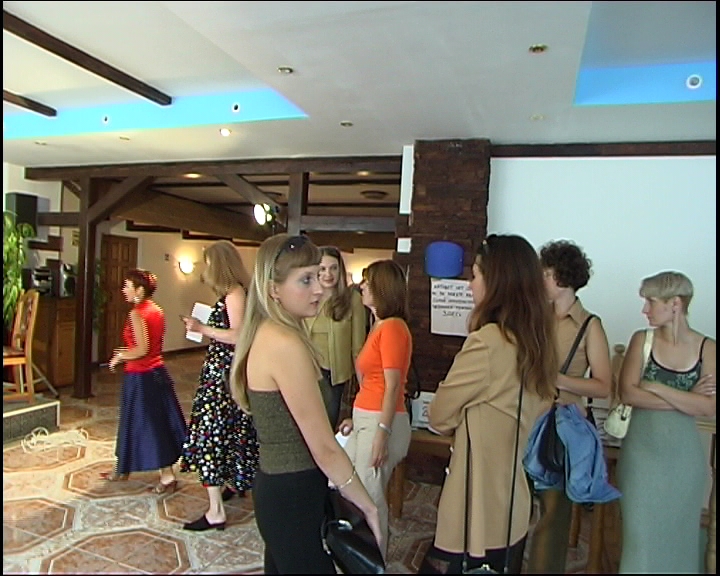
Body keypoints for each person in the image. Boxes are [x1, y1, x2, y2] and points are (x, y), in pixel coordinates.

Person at [229, 233, 382, 574]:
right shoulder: (284, 343)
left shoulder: (273, 333)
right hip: (292, 492)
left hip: (285, 488)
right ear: (274, 289)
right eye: (306, 280)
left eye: (318, 276)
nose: (319, 289)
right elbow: (324, 448)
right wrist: (367, 506)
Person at [419, 234, 558, 575]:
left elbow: (438, 416)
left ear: (497, 281)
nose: (470, 285)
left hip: (477, 501)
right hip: (512, 497)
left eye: (476, 275)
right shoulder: (538, 342)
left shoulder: (488, 342)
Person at [616, 271, 716, 574]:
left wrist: (656, 387)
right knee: (639, 542)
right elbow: (628, 394)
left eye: (651, 301)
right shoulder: (641, 340)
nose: (644, 309)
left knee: (679, 542)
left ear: (675, 304)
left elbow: (709, 407)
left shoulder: (708, 348)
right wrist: (687, 397)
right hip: (641, 458)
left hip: (684, 462)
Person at [526, 239, 612, 574]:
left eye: (545, 274)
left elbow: (603, 386)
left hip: (559, 428)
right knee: (515, 507)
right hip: (525, 420)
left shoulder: (590, 325)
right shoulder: (535, 317)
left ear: (562, 278)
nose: (540, 280)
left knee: (552, 514)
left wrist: (558, 380)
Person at [179, 240, 259, 531]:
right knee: (226, 431)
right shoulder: (235, 292)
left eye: (209, 264)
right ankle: (232, 485)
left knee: (210, 435)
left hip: (223, 377)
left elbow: (238, 335)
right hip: (223, 374)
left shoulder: (235, 293)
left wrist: (201, 328)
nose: (205, 270)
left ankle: (215, 511)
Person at [337, 259, 413, 560]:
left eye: (368, 281)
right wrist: (355, 418)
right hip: (368, 417)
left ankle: (374, 559)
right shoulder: (379, 325)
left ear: (383, 287)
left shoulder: (392, 327)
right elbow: (372, 382)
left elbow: (392, 386)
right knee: (353, 487)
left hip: (383, 420)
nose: (362, 286)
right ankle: (361, 552)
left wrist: (382, 432)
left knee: (369, 494)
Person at [103, 269, 187, 493]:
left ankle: (166, 477)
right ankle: (123, 468)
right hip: (157, 372)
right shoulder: (156, 310)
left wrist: (121, 356)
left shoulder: (137, 313)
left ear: (139, 290)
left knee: (148, 426)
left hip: (141, 377)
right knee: (153, 423)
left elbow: (142, 349)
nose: (123, 290)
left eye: (127, 286)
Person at [304, 246, 367, 428]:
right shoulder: (306, 297)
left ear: (340, 270)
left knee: (326, 427)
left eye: (333, 268)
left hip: (334, 376)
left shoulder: (352, 299)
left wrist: (364, 387)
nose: (328, 274)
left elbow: (358, 348)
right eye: (322, 269)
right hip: (306, 372)